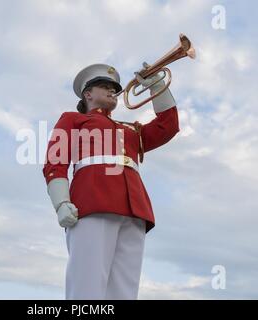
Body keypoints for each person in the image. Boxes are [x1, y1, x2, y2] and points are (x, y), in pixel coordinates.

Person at [42, 63, 180, 299]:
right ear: (88, 94)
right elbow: (55, 163)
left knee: (124, 291)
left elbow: (168, 127)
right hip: (93, 203)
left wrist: (157, 85)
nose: (112, 91)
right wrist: (61, 203)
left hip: (134, 209)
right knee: (87, 286)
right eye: (104, 87)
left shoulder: (129, 130)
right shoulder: (73, 119)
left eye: (114, 88)